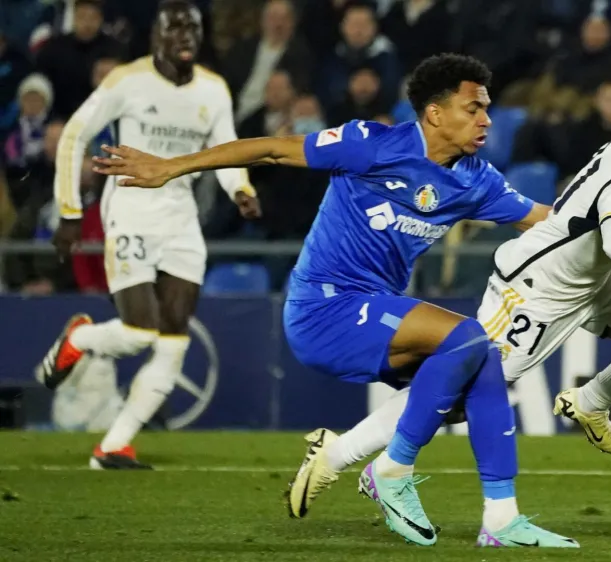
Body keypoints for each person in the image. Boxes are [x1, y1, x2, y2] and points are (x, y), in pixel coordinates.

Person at [91, 53, 579, 549]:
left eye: (487, 108)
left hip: (373, 309)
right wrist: (173, 167)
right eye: (473, 108)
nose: (486, 119)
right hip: (323, 308)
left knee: (482, 366)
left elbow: (550, 220)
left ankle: (500, 519)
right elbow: (273, 152)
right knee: (467, 338)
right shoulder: (371, 144)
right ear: (435, 113)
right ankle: (390, 473)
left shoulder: (475, 179)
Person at [278, 104, 611, 515]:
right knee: (463, 393)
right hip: (540, 288)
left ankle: (589, 403)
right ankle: (336, 455)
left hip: (599, 275)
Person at [34, 0, 261, 470]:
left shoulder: (213, 90)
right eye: (174, 26)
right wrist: (70, 212)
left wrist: (240, 187)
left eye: (192, 28)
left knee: (174, 339)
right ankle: (81, 339)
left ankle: (113, 445)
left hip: (180, 219)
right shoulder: (129, 81)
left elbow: (225, 149)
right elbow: (75, 134)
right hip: (132, 211)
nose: (184, 35)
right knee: (140, 332)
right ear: (156, 35)